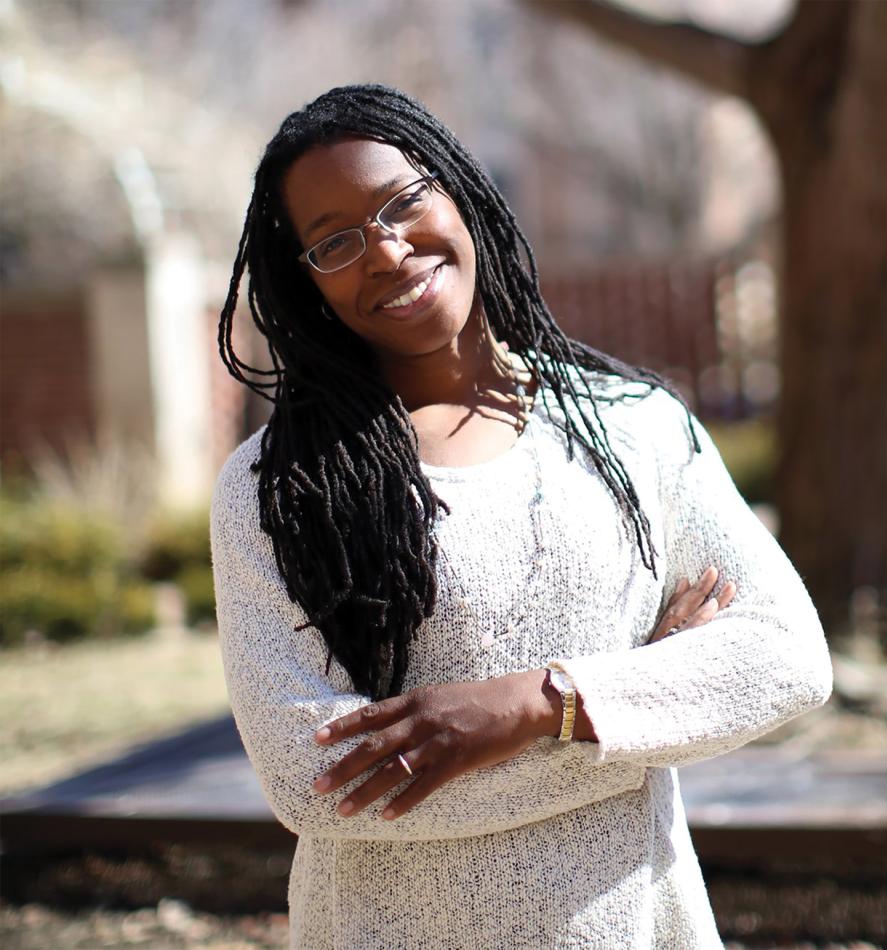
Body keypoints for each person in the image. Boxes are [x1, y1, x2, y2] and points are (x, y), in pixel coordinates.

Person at [211, 83, 831, 950]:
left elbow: (786, 656)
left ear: (461, 191)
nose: (385, 250)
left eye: (403, 202)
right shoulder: (278, 488)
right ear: (305, 279)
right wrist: (643, 701)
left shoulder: (633, 426)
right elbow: (311, 779)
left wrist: (543, 705)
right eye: (335, 241)